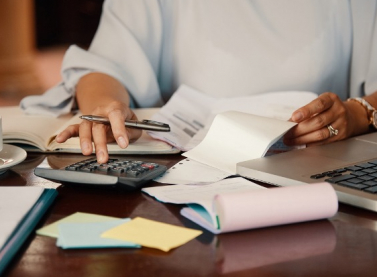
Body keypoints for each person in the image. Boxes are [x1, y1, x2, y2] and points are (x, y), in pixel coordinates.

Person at [21, 0, 377, 164]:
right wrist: (106, 105)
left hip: (317, 167)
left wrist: (358, 113)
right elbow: (104, 66)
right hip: (191, 168)